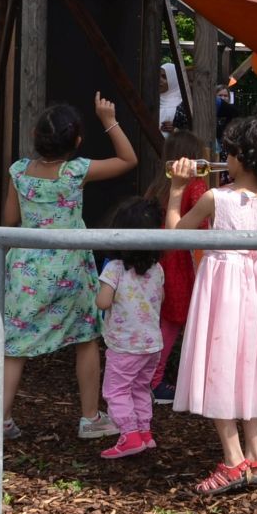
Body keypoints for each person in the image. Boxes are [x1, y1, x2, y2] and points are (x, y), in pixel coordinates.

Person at [0, 94, 140, 441]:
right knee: (87, 338)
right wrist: (109, 119)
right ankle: (90, 418)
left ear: (35, 136)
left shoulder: (19, 171)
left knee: (14, 344)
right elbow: (128, 159)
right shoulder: (75, 171)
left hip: (26, 266)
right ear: (76, 141)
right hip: (71, 267)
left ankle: (0, 421)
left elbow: (10, 219)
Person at [166, 114, 257, 495]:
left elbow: (177, 235)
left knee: (220, 367)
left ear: (239, 157)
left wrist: (177, 188)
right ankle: (256, 459)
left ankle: (233, 459)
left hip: (221, 289)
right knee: (250, 367)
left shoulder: (215, 198)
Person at [96, 197, 166, 460]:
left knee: (116, 390)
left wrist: (99, 292)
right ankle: (144, 432)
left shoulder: (115, 269)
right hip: (152, 343)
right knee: (139, 387)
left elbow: (103, 301)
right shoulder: (157, 269)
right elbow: (161, 298)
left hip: (124, 345)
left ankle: (129, 435)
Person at [147, 130, 208, 403]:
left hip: (156, 256)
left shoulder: (158, 185)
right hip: (177, 262)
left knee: (156, 319)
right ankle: (154, 380)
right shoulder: (195, 185)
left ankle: (145, 374)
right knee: (170, 322)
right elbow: (203, 224)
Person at [157, 64, 183, 135]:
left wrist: (176, 130)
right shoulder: (151, 101)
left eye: (164, 77)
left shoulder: (183, 105)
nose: (159, 80)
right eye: (157, 76)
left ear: (174, 79)